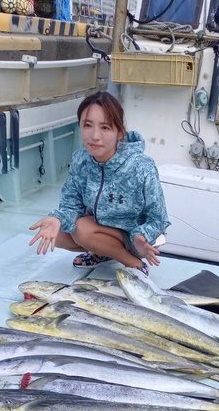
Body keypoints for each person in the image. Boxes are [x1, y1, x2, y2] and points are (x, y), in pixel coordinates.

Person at [29, 91, 170, 274]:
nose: (95, 136)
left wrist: (141, 236)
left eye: (105, 127)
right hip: (101, 230)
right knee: (57, 234)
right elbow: (71, 204)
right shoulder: (81, 159)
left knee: (82, 230)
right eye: (88, 125)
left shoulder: (141, 167)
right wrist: (57, 219)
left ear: (119, 132)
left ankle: (134, 264)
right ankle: (102, 252)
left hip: (136, 239)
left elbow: (159, 218)